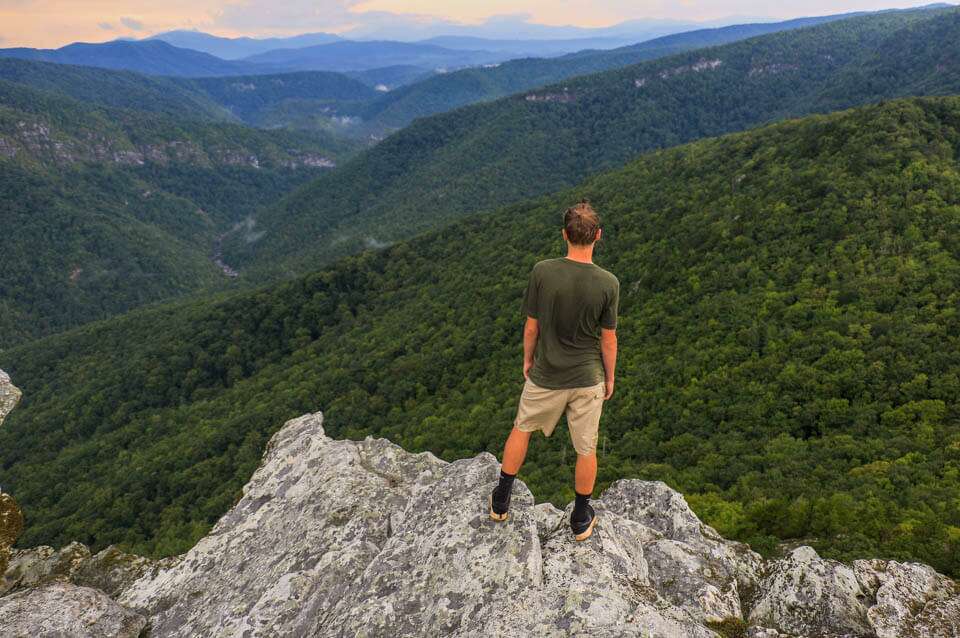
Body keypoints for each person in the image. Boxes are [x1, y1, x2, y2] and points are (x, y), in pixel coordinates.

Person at [489, 200, 619, 541]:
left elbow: (531, 327)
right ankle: (579, 518)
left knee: (522, 429)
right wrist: (610, 377)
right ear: (598, 236)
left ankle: (501, 499)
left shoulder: (542, 271)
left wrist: (528, 360)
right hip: (587, 377)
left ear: (564, 234)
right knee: (586, 448)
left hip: (547, 372)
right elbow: (608, 340)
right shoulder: (608, 283)